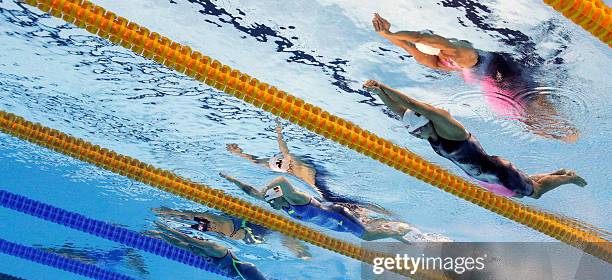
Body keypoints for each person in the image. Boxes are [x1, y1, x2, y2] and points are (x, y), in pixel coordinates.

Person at [371, 13, 579, 143]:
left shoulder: (464, 53)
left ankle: (567, 128)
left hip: (509, 77)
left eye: (440, 50)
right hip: (501, 91)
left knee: (545, 112)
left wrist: (392, 33)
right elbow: (412, 47)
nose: (440, 56)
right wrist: (387, 35)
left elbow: (420, 38)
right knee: (529, 120)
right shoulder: (441, 63)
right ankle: (560, 130)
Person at [363, 79, 586, 199]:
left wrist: (384, 86)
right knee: (527, 186)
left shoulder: (448, 128)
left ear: (425, 123)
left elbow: (412, 105)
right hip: (488, 175)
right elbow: (403, 112)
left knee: (535, 193)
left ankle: (569, 178)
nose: (415, 136)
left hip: (498, 171)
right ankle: (558, 174)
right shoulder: (428, 131)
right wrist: (379, 94)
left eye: (416, 132)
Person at [226, 118, 391, 214]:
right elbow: (256, 161)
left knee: (345, 204)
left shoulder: (292, 161)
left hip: (318, 181)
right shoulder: (274, 165)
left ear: (289, 163)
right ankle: (368, 214)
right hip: (313, 183)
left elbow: (284, 149)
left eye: (289, 168)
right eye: (287, 170)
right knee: (341, 207)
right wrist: (239, 153)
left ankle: (382, 212)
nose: (289, 171)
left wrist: (279, 132)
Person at [219, 173, 429, 242]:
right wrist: (230, 179)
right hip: (334, 224)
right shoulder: (277, 201)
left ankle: (401, 232)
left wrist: (269, 186)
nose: (271, 206)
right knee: (369, 228)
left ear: (279, 196)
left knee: (366, 236)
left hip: (337, 216)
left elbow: (282, 179)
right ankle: (397, 228)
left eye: (273, 201)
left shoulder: (294, 198)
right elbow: (251, 192)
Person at [146, 221, 310, 280]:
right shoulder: (201, 252)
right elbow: (180, 244)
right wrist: (161, 236)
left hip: (246, 271)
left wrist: (166, 229)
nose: (195, 246)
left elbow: (187, 240)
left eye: (197, 242)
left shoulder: (213, 248)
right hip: (239, 276)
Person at [152, 207, 312, 259]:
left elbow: (189, 215)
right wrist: (169, 213)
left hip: (251, 231)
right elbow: (188, 218)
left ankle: (304, 252)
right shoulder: (209, 226)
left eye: (210, 227)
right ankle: (303, 251)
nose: (211, 229)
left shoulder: (214, 219)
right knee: (280, 238)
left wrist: (169, 211)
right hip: (249, 237)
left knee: (284, 239)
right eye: (208, 228)